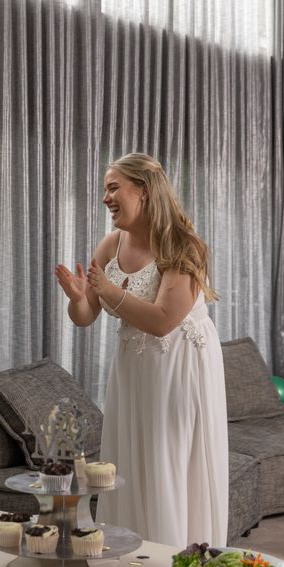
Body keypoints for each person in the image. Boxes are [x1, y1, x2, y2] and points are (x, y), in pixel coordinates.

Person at [55, 153, 229, 547]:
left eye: (113, 187)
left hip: (180, 367)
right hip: (133, 369)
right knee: (133, 461)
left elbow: (164, 319)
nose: (105, 198)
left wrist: (108, 291)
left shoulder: (184, 246)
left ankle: (174, 555)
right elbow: (86, 316)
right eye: (105, 189)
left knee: (166, 461)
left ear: (144, 191)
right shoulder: (111, 244)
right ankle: (133, 551)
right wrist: (76, 297)